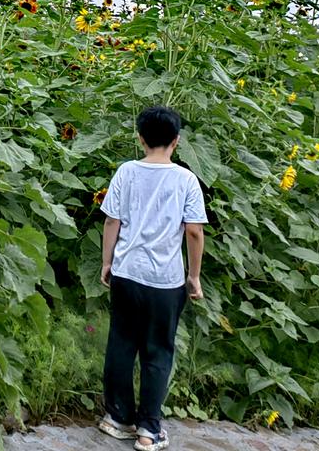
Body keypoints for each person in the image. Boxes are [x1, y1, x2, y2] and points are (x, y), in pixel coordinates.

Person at [96, 105, 207, 451]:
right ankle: (148, 430)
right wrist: (193, 276)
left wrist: (107, 262)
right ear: (176, 141)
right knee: (158, 352)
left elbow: (111, 221)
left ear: (140, 138)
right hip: (165, 282)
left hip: (127, 273)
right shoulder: (186, 180)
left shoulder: (126, 172)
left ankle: (118, 418)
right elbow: (194, 232)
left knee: (121, 344)